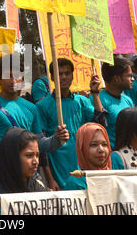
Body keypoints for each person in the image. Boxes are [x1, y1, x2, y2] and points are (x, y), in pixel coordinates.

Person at [0, 54, 68, 197]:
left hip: (28, 182)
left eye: (17, 75)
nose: (13, 80)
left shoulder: (31, 108)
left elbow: (39, 145)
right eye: (7, 75)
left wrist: (57, 139)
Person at [36, 58, 105, 189]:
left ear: (73, 76)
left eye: (67, 73)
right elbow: (41, 148)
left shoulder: (82, 102)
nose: (63, 77)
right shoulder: (42, 106)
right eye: (59, 74)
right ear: (52, 77)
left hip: (82, 166)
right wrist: (50, 179)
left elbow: (100, 123)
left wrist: (95, 92)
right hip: (58, 170)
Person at [0, 128, 50, 215]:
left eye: (37, 155)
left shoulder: (39, 189)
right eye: (29, 155)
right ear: (13, 158)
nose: (36, 161)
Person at [96, 56, 134, 148]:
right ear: (117, 78)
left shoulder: (127, 100)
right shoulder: (98, 100)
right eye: (129, 76)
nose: (132, 79)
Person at [64, 123, 112, 190]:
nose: (101, 150)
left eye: (104, 144)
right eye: (94, 145)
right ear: (82, 149)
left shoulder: (115, 177)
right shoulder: (77, 183)